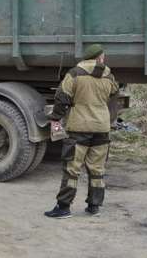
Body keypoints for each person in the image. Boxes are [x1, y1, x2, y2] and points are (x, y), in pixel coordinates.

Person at [44, 44, 119, 219]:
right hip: (102, 127)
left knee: (72, 169)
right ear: (99, 58)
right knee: (97, 169)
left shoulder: (75, 74)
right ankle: (94, 206)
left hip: (79, 127)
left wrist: (56, 118)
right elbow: (114, 94)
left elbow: (62, 97)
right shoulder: (109, 76)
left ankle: (63, 208)